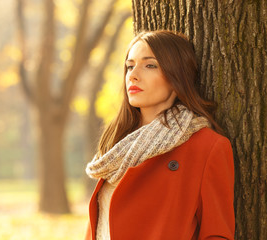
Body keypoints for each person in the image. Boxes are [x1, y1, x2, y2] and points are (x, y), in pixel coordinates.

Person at [85, 30, 235, 240]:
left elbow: (217, 234)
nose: (133, 75)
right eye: (129, 66)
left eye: (150, 65)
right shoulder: (115, 146)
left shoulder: (207, 147)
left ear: (177, 75)